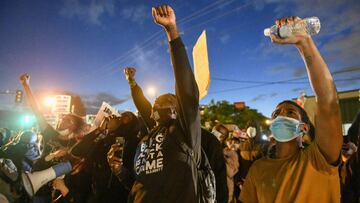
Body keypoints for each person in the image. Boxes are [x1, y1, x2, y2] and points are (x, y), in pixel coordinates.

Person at [240, 16, 342, 203]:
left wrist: (304, 42)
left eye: (290, 112)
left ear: (303, 128)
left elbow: (328, 101)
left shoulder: (319, 159)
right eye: (276, 114)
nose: (280, 116)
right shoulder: (258, 169)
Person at [113, 5, 202, 202]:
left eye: (169, 100)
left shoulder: (185, 132)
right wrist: (120, 172)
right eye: (156, 102)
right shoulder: (149, 135)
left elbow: (186, 88)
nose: (159, 102)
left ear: (177, 110)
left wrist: (171, 31)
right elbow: (141, 183)